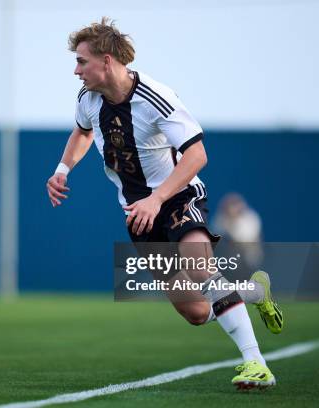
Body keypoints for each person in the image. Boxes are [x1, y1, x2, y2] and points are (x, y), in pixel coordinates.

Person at [46, 17, 283, 390]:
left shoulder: (155, 97)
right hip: (138, 214)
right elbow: (82, 131)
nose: (76, 70)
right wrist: (62, 169)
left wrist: (157, 198)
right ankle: (255, 291)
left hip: (176, 196)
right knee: (195, 310)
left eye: (81, 61)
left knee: (200, 266)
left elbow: (197, 155)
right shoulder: (89, 99)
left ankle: (256, 364)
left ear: (107, 60)